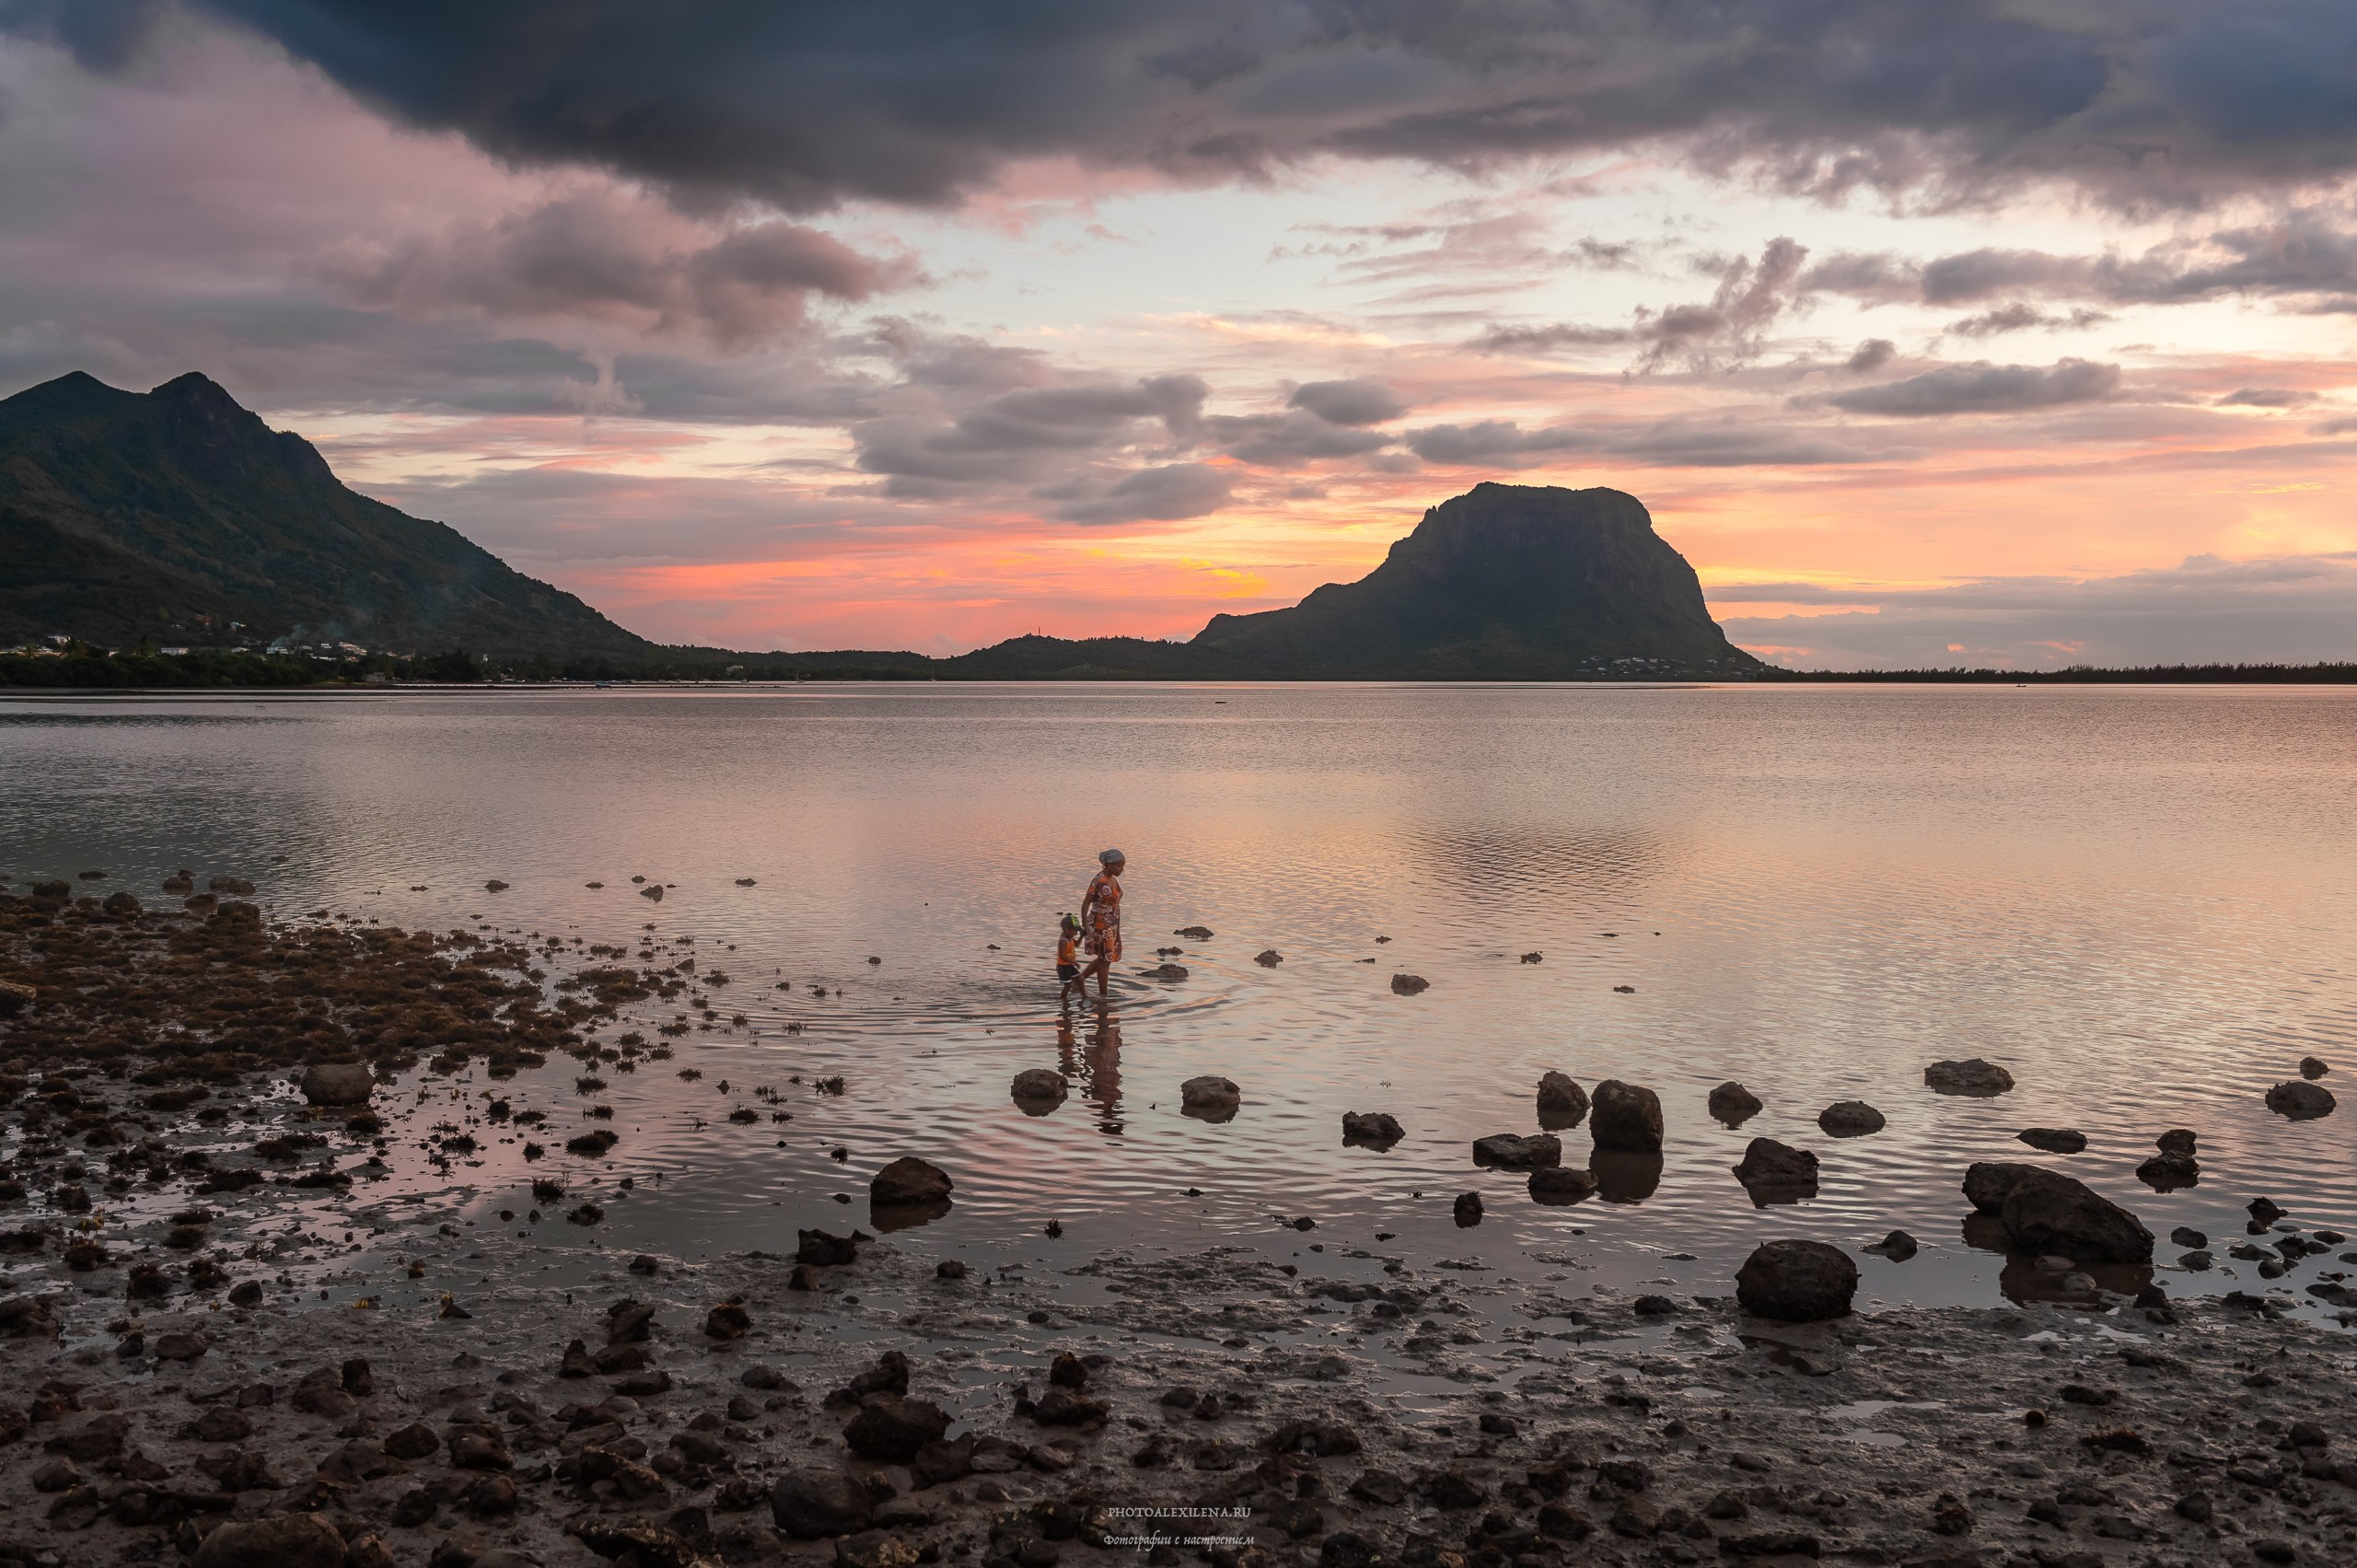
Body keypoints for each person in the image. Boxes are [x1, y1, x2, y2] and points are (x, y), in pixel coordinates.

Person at [1079, 848, 1125, 998]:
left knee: (1104, 958)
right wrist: (1085, 926)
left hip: (1110, 924)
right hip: (1100, 923)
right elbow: (1086, 903)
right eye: (1119, 866)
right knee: (1105, 959)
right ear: (1109, 864)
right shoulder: (1099, 880)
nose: (1122, 870)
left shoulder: (1112, 879)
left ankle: (1079, 980)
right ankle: (1104, 995)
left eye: (1123, 866)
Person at [1055, 913, 1085, 1004]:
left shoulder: (1070, 939)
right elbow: (1063, 956)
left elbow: (1077, 945)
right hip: (1063, 967)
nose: (1076, 933)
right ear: (1067, 929)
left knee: (1080, 978)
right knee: (1067, 985)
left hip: (1069, 965)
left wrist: (1082, 936)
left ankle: (1084, 995)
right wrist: (1074, 962)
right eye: (1074, 931)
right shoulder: (1063, 941)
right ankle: (1063, 1000)